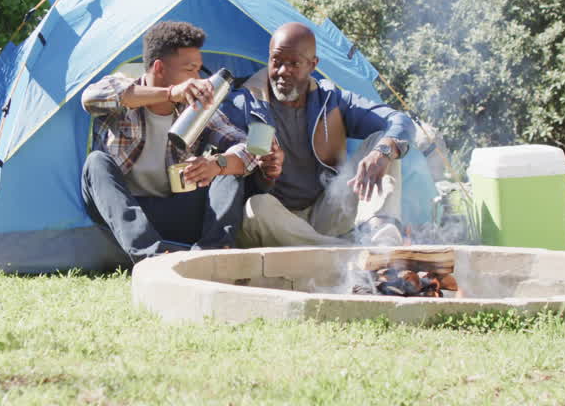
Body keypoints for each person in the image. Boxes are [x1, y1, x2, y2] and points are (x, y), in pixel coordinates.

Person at [225, 22, 435, 247]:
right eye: (276, 61)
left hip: (326, 211)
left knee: (383, 144)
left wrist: (383, 152)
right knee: (255, 208)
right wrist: (263, 174)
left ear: (313, 64)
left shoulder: (331, 100)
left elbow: (400, 121)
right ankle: (348, 251)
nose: (283, 71)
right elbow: (223, 164)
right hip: (277, 219)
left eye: (294, 63)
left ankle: (381, 234)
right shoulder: (243, 103)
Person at [80, 21, 257, 262]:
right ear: (159, 68)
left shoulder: (196, 109)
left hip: (176, 209)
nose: (197, 79)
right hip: (125, 213)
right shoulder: (123, 88)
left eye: (199, 70)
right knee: (96, 162)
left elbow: (246, 146)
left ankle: (212, 255)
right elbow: (90, 98)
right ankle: (151, 257)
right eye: (190, 69)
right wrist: (171, 93)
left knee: (227, 168)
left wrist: (217, 164)